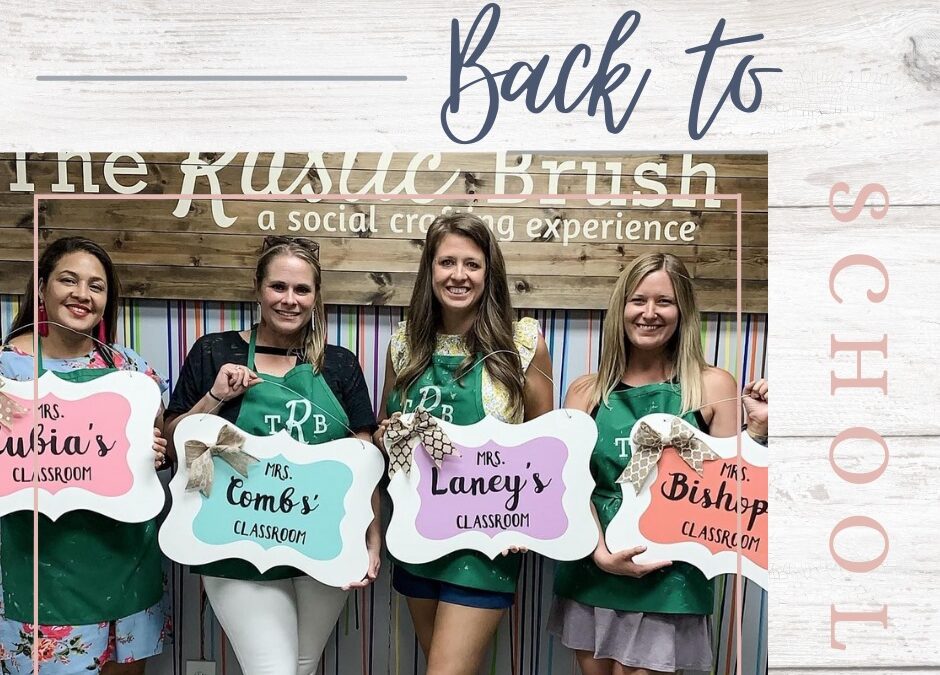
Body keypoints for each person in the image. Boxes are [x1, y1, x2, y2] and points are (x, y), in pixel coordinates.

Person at [163, 235, 379, 675]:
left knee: (301, 665)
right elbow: (172, 442)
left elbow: (364, 461)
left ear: (316, 297)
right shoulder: (215, 352)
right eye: (278, 287)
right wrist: (215, 397)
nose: (290, 300)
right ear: (258, 288)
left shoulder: (338, 364)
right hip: (236, 537)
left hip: (321, 538)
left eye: (302, 290)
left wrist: (371, 539)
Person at [549, 252, 769, 675]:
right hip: (594, 571)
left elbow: (732, 491)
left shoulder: (710, 385)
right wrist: (600, 554)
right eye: (638, 300)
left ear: (682, 310)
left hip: (673, 578)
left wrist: (756, 433)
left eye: (664, 302)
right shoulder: (586, 392)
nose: (649, 313)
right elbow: (573, 488)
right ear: (621, 309)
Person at [375, 214, 554, 675]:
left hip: (487, 539)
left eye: (472, 264)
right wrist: (389, 433)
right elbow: (383, 437)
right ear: (429, 270)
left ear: (489, 271)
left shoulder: (523, 341)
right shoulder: (404, 344)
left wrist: (526, 524)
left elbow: (545, 445)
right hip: (418, 534)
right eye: (447, 262)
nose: (459, 275)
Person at [0, 236, 170, 674]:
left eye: (96, 286)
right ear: (41, 288)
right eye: (68, 280)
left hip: (124, 561)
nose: (82, 294)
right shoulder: (4, 370)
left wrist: (155, 451)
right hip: (35, 566)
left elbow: (155, 449)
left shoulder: (131, 370)